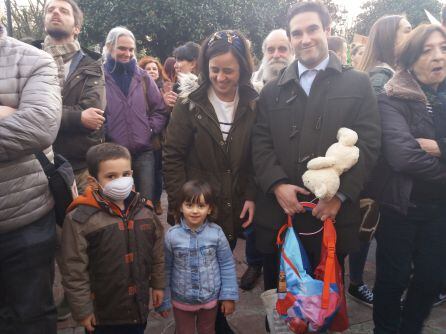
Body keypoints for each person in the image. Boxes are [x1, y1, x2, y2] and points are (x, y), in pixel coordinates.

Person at [251, 1, 381, 320]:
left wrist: (340, 196)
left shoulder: (358, 83)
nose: (305, 38)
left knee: (324, 306)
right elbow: (260, 142)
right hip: (284, 216)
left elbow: (370, 144)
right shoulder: (272, 91)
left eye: (312, 29)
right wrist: (277, 184)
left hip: (330, 219)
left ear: (327, 30)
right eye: (297, 33)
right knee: (282, 307)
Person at [163, 30, 258, 333]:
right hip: (199, 202)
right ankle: (206, 319)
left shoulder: (255, 103)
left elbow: (260, 153)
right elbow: (173, 155)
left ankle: (213, 317)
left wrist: (253, 194)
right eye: (214, 69)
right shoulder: (189, 103)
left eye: (228, 70)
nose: (220, 77)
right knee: (196, 261)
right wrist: (180, 202)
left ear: (243, 68)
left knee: (221, 257)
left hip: (237, 198)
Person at [371, 24, 446, 334]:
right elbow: (403, 156)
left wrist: (440, 148)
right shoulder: (392, 97)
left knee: (431, 277)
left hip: (439, 209)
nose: (438, 56)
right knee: (392, 278)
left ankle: (411, 327)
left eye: (442, 47)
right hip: (401, 206)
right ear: (411, 59)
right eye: (427, 50)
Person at [60, 143, 165, 334]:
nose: (121, 181)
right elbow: (73, 269)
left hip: (138, 308)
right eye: (111, 176)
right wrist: (83, 310)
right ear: (93, 181)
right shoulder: (80, 219)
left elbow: (157, 252)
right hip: (102, 314)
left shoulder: (144, 210)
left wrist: (158, 284)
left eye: (126, 174)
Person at [346, 15, 412, 308]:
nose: (412, 35)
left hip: (381, 172)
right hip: (378, 172)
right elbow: (371, 129)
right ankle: (357, 283)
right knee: (367, 227)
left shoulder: (390, 73)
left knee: (370, 229)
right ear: (389, 38)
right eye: (406, 30)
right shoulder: (381, 76)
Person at [0, 24, 62, 333]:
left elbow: (39, 126)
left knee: (32, 316)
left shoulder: (33, 59)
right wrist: (7, 113)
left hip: (25, 220)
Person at [240, 28, 294, 292]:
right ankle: (255, 265)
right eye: (270, 50)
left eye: (282, 49)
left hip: (298, 184)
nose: (276, 55)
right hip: (264, 180)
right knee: (264, 240)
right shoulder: (253, 88)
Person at [157, 180, 238, 334]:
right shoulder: (172, 236)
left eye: (201, 206)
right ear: (181, 207)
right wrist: (165, 299)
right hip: (181, 299)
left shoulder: (217, 233)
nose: (195, 211)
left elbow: (226, 264)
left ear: (209, 209)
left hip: (210, 299)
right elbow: (165, 268)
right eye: (189, 205)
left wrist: (228, 296)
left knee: (207, 330)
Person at [43, 0, 106, 194]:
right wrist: (77, 117)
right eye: (50, 10)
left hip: (80, 165)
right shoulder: (28, 59)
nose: (56, 13)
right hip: (37, 164)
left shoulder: (93, 65)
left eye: (64, 11)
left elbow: (93, 113)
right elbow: (23, 113)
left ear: (77, 27)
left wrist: (44, 114)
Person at [103, 27, 167, 201]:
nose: (128, 53)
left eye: (131, 49)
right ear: (109, 47)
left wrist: (150, 129)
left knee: (145, 204)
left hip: (144, 153)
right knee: (118, 204)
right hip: (113, 155)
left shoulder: (143, 77)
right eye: (122, 48)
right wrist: (107, 132)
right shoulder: (99, 77)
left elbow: (160, 109)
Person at [138, 56, 178, 215]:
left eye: (154, 69)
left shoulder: (167, 87)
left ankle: (156, 201)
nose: (152, 71)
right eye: (148, 69)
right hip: (146, 138)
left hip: (162, 137)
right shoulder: (139, 86)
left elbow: (169, 113)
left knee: (157, 172)